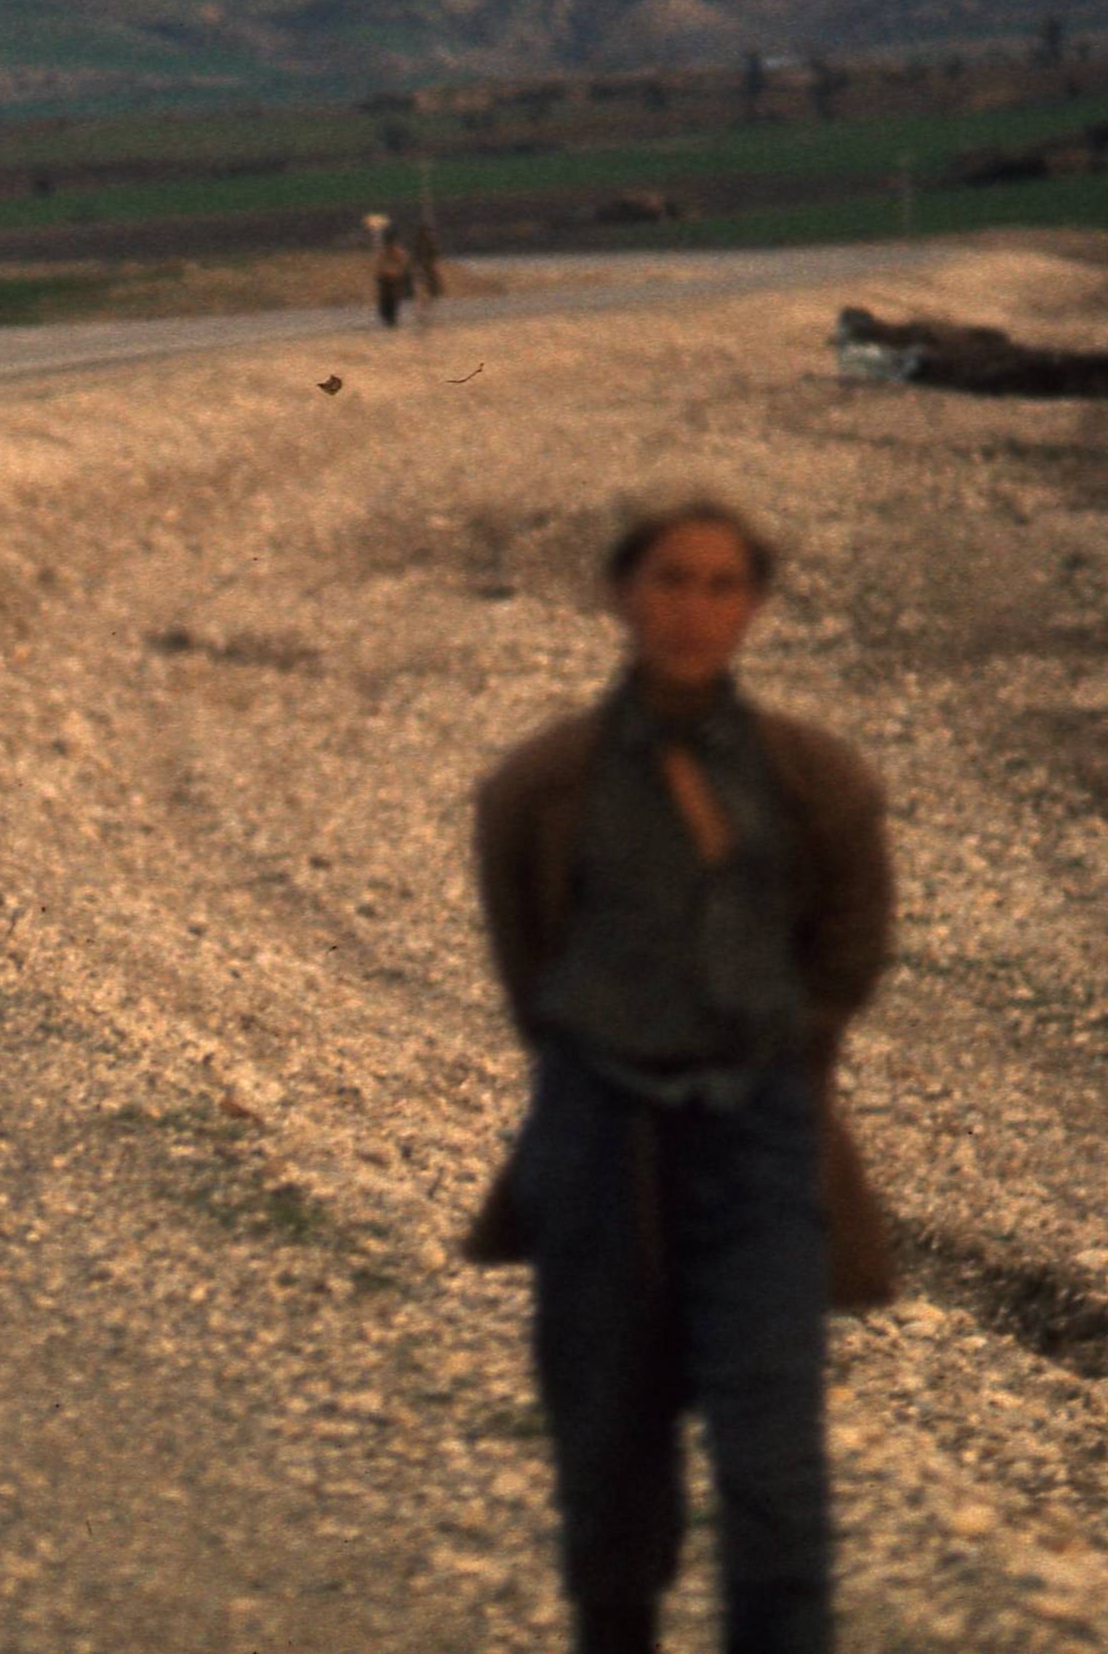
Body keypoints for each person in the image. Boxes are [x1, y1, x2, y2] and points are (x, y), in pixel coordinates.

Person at [464, 493, 895, 1654]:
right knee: (605, 1444)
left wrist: (773, 1050)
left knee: (771, 1462)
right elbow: (527, 958)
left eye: (719, 585)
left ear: (751, 607)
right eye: (668, 579)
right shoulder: (540, 782)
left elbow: (847, 947)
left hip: (758, 1141)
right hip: (596, 1133)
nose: (691, 610)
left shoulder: (811, 777)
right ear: (620, 593)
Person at [375, 223, 412, 327]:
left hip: (394, 280)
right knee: (386, 301)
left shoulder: (397, 252)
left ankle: (391, 319)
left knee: (392, 301)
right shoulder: (384, 251)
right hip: (387, 279)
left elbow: (402, 264)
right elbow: (379, 264)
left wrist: (398, 273)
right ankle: (388, 319)